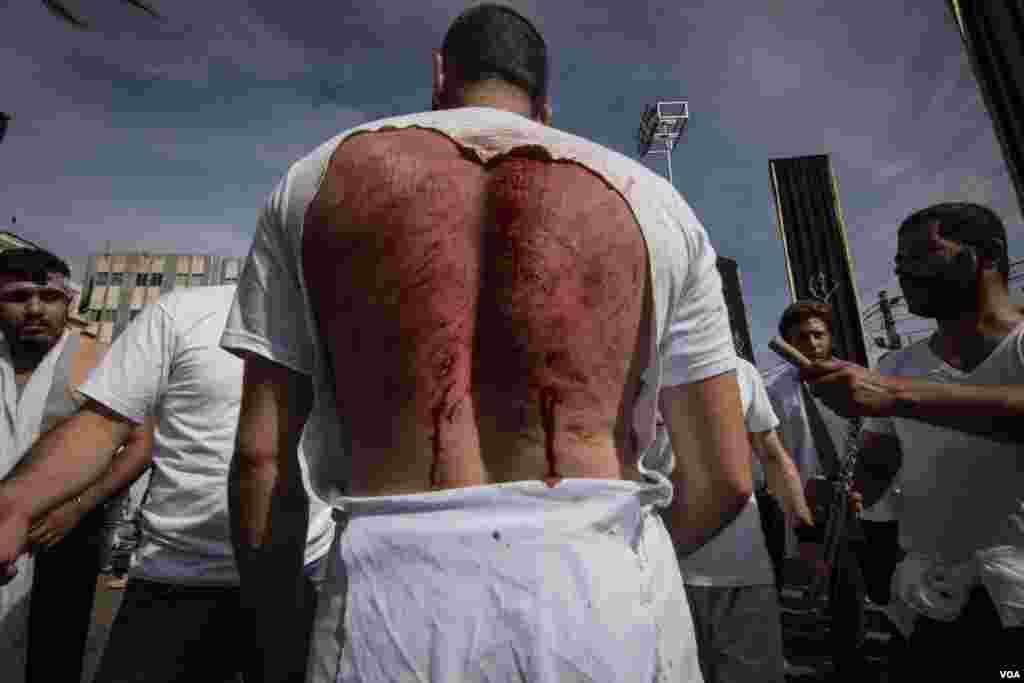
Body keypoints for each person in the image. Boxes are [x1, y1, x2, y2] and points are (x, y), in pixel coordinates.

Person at [219, 4, 753, 682]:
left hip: (387, 614)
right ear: (546, 100)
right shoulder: (652, 200)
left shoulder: (317, 181)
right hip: (606, 607)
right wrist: (612, 563)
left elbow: (260, 460)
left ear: (440, 73)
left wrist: (274, 641)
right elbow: (728, 477)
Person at [0, 284, 335, 682]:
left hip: (306, 577)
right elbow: (103, 426)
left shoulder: (348, 319)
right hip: (174, 579)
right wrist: (15, 504)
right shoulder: (182, 313)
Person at [804, 202, 1024, 669]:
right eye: (900, 263)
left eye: (924, 254)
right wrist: (848, 493)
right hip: (935, 604)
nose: (905, 273)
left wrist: (896, 396)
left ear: (987, 255)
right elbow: (881, 463)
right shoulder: (899, 365)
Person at [0, 248, 149, 683]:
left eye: (49, 296)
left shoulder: (100, 359)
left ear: (70, 302)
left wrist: (77, 507)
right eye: (18, 296)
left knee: (53, 652)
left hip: (60, 533)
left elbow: (142, 445)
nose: (34, 309)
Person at [648, 355, 815, 682]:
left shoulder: (740, 372)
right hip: (660, 575)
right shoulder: (623, 368)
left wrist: (805, 529)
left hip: (742, 568)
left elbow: (771, 455)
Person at [765, 299, 871, 675]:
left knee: (879, 579)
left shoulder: (856, 377)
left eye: (818, 334)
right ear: (787, 341)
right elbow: (769, 451)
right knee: (839, 585)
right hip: (815, 501)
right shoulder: (773, 389)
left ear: (830, 338)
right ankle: (847, 662)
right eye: (801, 337)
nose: (811, 343)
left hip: (869, 494)